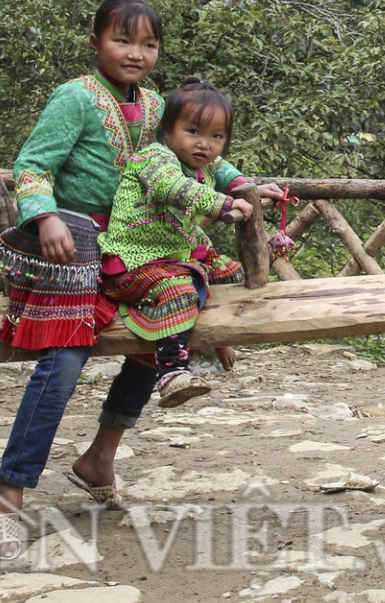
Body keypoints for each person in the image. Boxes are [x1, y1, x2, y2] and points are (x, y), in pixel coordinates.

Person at [0, 0, 173, 556]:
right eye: (122, 40)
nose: (135, 54)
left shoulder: (160, 107)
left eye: (148, 44)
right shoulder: (75, 98)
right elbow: (33, 164)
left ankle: (99, 459)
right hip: (71, 251)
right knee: (63, 363)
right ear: (95, 44)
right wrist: (42, 214)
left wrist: (238, 186)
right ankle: (8, 496)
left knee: (158, 338)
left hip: (134, 250)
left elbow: (197, 153)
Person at [99, 79, 266, 408]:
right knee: (180, 291)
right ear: (168, 131)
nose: (205, 144)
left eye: (216, 136)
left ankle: (220, 338)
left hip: (172, 257)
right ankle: (172, 372)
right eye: (193, 131)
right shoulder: (154, 158)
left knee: (226, 271)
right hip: (134, 262)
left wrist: (254, 188)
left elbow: (222, 170)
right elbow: (172, 188)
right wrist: (224, 204)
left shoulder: (200, 167)